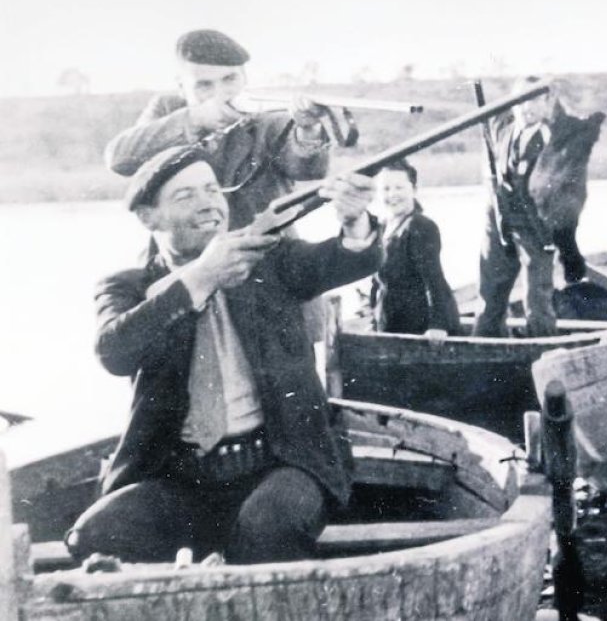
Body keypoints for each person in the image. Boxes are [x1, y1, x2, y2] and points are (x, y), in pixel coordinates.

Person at [66, 144, 381, 565]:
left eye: (213, 190)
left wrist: (354, 220)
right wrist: (201, 276)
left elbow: (345, 260)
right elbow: (113, 352)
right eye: (186, 196)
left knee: (268, 526)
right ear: (147, 217)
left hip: (281, 464)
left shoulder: (270, 259)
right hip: (181, 479)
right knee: (95, 534)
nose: (209, 204)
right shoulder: (126, 286)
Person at [104, 29, 330, 229]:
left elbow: (310, 170)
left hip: (266, 252)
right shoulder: (167, 109)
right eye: (204, 85)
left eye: (229, 79)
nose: (220, 93)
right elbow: (119, 159)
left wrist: (308, 129)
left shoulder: (266, 111)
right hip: (185, 256)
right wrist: (196, 118)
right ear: (181, 87)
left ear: (244, 78)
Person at [473, 77, 605, 337]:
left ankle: (541, 349)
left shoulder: (557, 142)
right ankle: (484, 346)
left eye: (534, 100)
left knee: (537, 299)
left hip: (536, 226)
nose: (526, 107)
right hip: (498, 223)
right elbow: (488, 111)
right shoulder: (502, 129)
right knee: (490, 294)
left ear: (547, 104)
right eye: (520, 101)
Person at [368, 160, 460, 337]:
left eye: (399, 188)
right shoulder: (381, 226)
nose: (392, 194)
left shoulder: (420, 226)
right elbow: (377, 282)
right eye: (386, 189)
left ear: (414, 190)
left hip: (420, 327)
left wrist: (437, 325)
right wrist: (373, 320)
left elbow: (434, 279)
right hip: (390, 323)